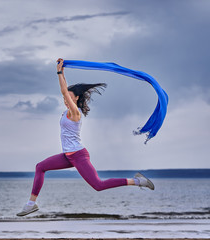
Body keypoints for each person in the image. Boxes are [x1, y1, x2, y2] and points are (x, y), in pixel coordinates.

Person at [16, 58, 155, 217]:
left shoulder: (75, 113)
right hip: (68, 156)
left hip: (78, 155)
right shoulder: (66, 111)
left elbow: (63, 91)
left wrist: (60, 72)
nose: (65, 99)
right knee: (40, 167)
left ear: (75, 98)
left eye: (68, 97)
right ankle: (31, 204)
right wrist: (63, 72)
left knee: (98, 185)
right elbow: (65, 92)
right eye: (65, 97)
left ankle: (138, 181)